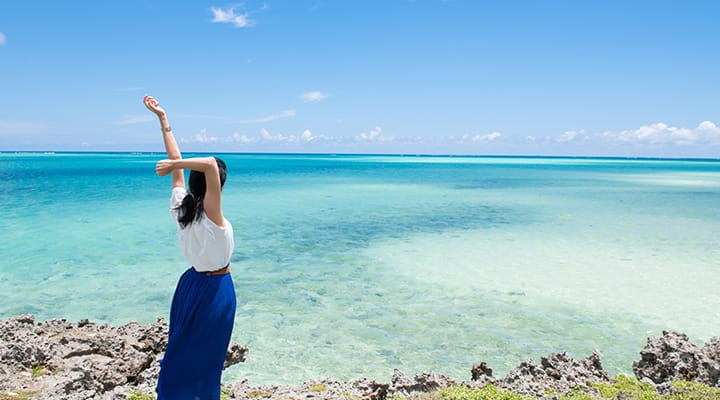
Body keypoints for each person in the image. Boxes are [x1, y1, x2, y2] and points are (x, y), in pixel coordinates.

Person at [144, 95, 237, 400]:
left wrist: (163, 119)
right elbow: (209, 164)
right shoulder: (213, 216)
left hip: (190, 285)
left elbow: (181, 171)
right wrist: (175, 162)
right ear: (216, 186)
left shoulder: (181, 209)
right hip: (216, 291)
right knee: (208, 360)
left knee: (182, 348)